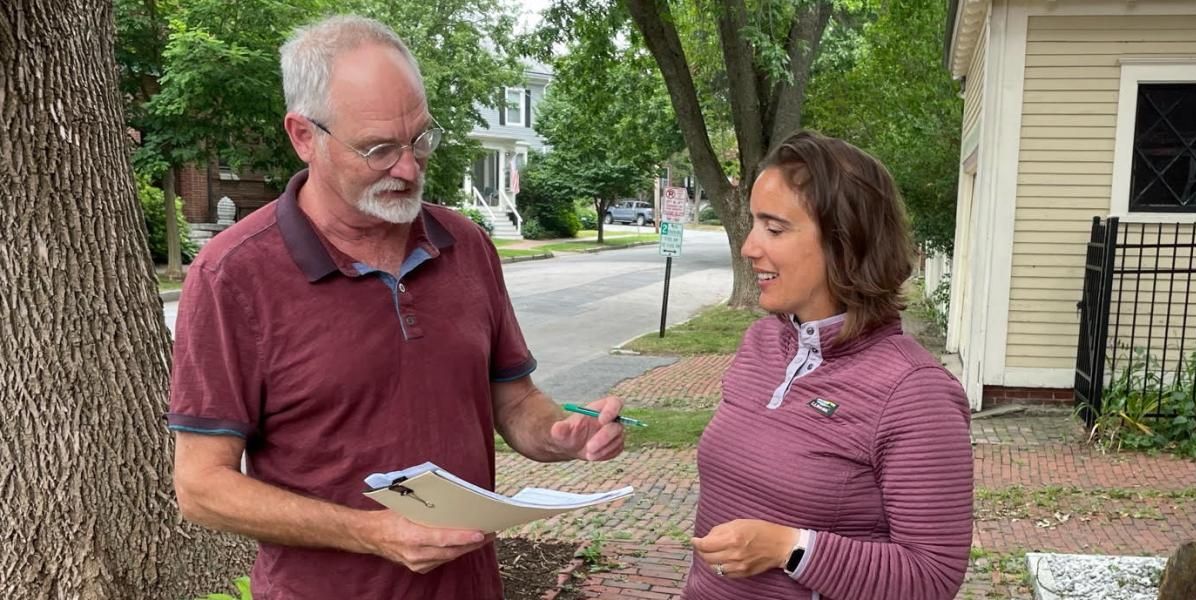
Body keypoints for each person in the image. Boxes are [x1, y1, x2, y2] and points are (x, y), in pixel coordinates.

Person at [166, 15, 625, 600]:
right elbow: (202, 486)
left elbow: (514, 401)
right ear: (304, 135)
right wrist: (371, 534)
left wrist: (560, 435)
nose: (408, 168)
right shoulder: (233, 275)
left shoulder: (468, 246)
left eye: (421, 140)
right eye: (379, 149)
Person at [683, 131, 973, 600]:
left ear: (844, 242)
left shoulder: (915, 392)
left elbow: (933, 576)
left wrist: (791, 548)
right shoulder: (760, 344)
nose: (749, 247)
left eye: (773, 229)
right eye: (753, 224)